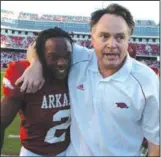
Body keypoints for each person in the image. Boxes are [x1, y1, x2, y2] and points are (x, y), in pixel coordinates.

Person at [15, 4, 159, 156]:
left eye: (120, 37)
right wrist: (36, 64)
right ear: (92, 38)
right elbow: (39, 44)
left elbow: (155, 143)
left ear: (128, 40)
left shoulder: (147, 80)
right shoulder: (78, 57)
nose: (112, 44)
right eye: (104, 36)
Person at [1, 27, 73, 156]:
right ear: (42, 56)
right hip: (34, 153)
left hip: (68, 151)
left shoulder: (76, 70)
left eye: (66, 56)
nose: (62, 63)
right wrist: (35, 63)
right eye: (53, 57)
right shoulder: (23, 75)